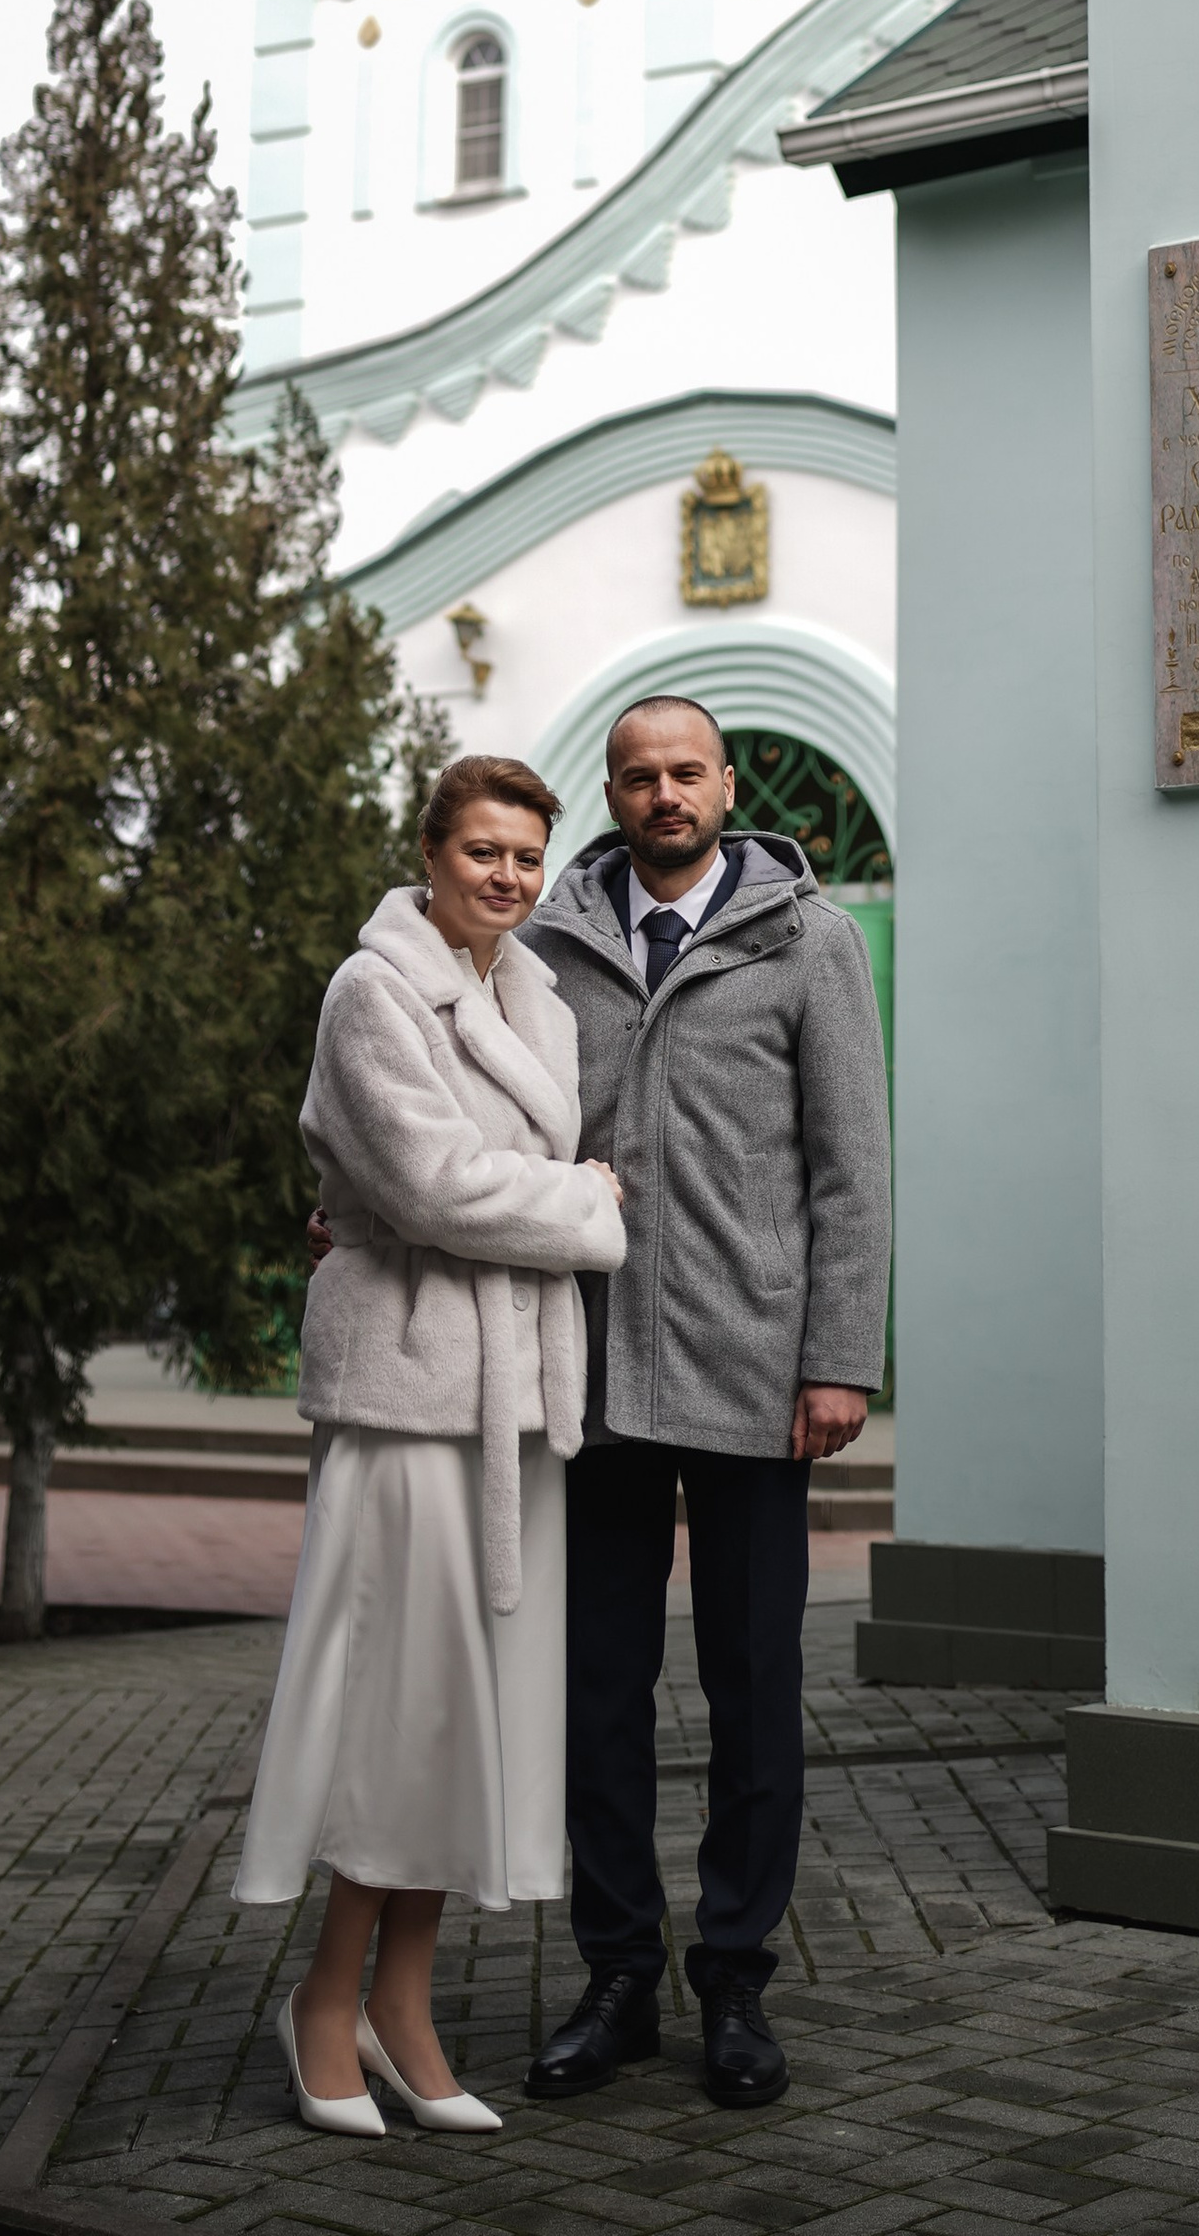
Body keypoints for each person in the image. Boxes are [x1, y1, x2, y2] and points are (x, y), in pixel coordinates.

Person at [235, 753, 628, 2140]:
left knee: (469, 1722)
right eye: (484, 852)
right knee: (389, 1715)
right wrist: (582, 1203)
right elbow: (435, 1186)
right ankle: (322, 2003)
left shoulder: (540, 999)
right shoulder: (374, 992)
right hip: (409, 1395)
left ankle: (407, 2006)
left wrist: (531, 1203)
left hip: (515, 1400)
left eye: (528, 855)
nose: (509, 878)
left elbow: (469, 1195)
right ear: (430, 851)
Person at [521, 696, 892, 2115]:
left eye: (686, 772)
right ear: (607, 793)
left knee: (753, 1695)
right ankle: (615, 1974)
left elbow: (851, 1168)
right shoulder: (552, 950)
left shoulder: (812, 942)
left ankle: (733, 1979)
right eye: (637, 777)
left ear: (727, 783)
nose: (663, 794)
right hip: (599, 1371)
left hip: (753, 1371)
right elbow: (486, 1123)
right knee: (599, 1697)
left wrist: (839, 1356)